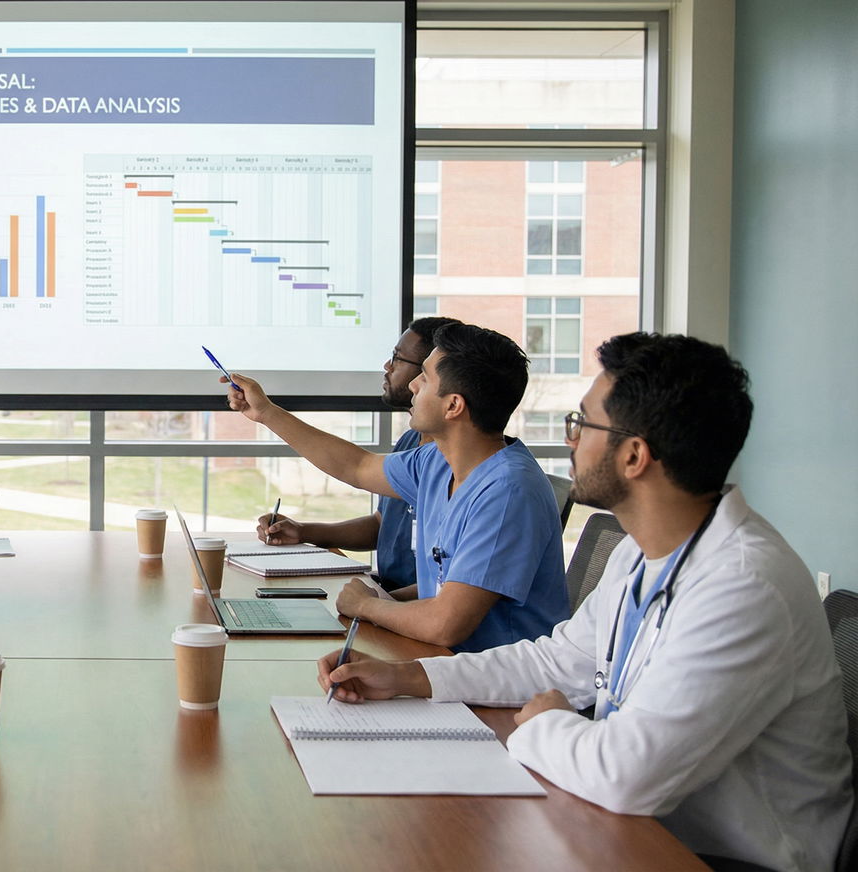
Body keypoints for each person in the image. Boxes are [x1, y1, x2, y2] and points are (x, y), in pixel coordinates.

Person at [321, 332, 853, 870]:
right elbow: (553, 660)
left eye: (582, 424)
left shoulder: (742, 586)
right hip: (629, 829)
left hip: (724, 857)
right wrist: (407, 678)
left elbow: (626, 776)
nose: (570, 441)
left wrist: (546, 721)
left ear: (634, 455)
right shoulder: (641, 554)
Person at [226, 322, 567, 651]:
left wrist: (367, 606)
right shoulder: (435, 461)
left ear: (453, 405)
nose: (414, 386)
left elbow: (445, 624)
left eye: (426, 377)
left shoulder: (507, 491)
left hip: (495, 687)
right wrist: (266, 412)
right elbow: (355, 466)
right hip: (441, 660)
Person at [256, 316, 460, 590]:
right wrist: (304, 532)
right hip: (389, 597)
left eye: (398, 359)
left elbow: (448, 591)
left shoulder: (460, 463)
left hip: (407, 609)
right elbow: (382, 524)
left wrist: (375, 605)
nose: (387, 367)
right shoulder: (413, 443)